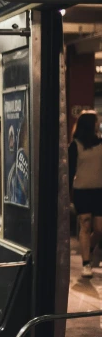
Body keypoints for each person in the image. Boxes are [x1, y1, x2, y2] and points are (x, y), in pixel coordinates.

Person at [68, 110, 102, 278]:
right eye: (96, 121)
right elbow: (69, 170)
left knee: (99, 228)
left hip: (99, 190)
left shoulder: (101, 143)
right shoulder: (75, 145)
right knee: (85, 225)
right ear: (90, 124)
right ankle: (86, 263)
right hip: (81, 190)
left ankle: (87, 248)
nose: (98, 124)